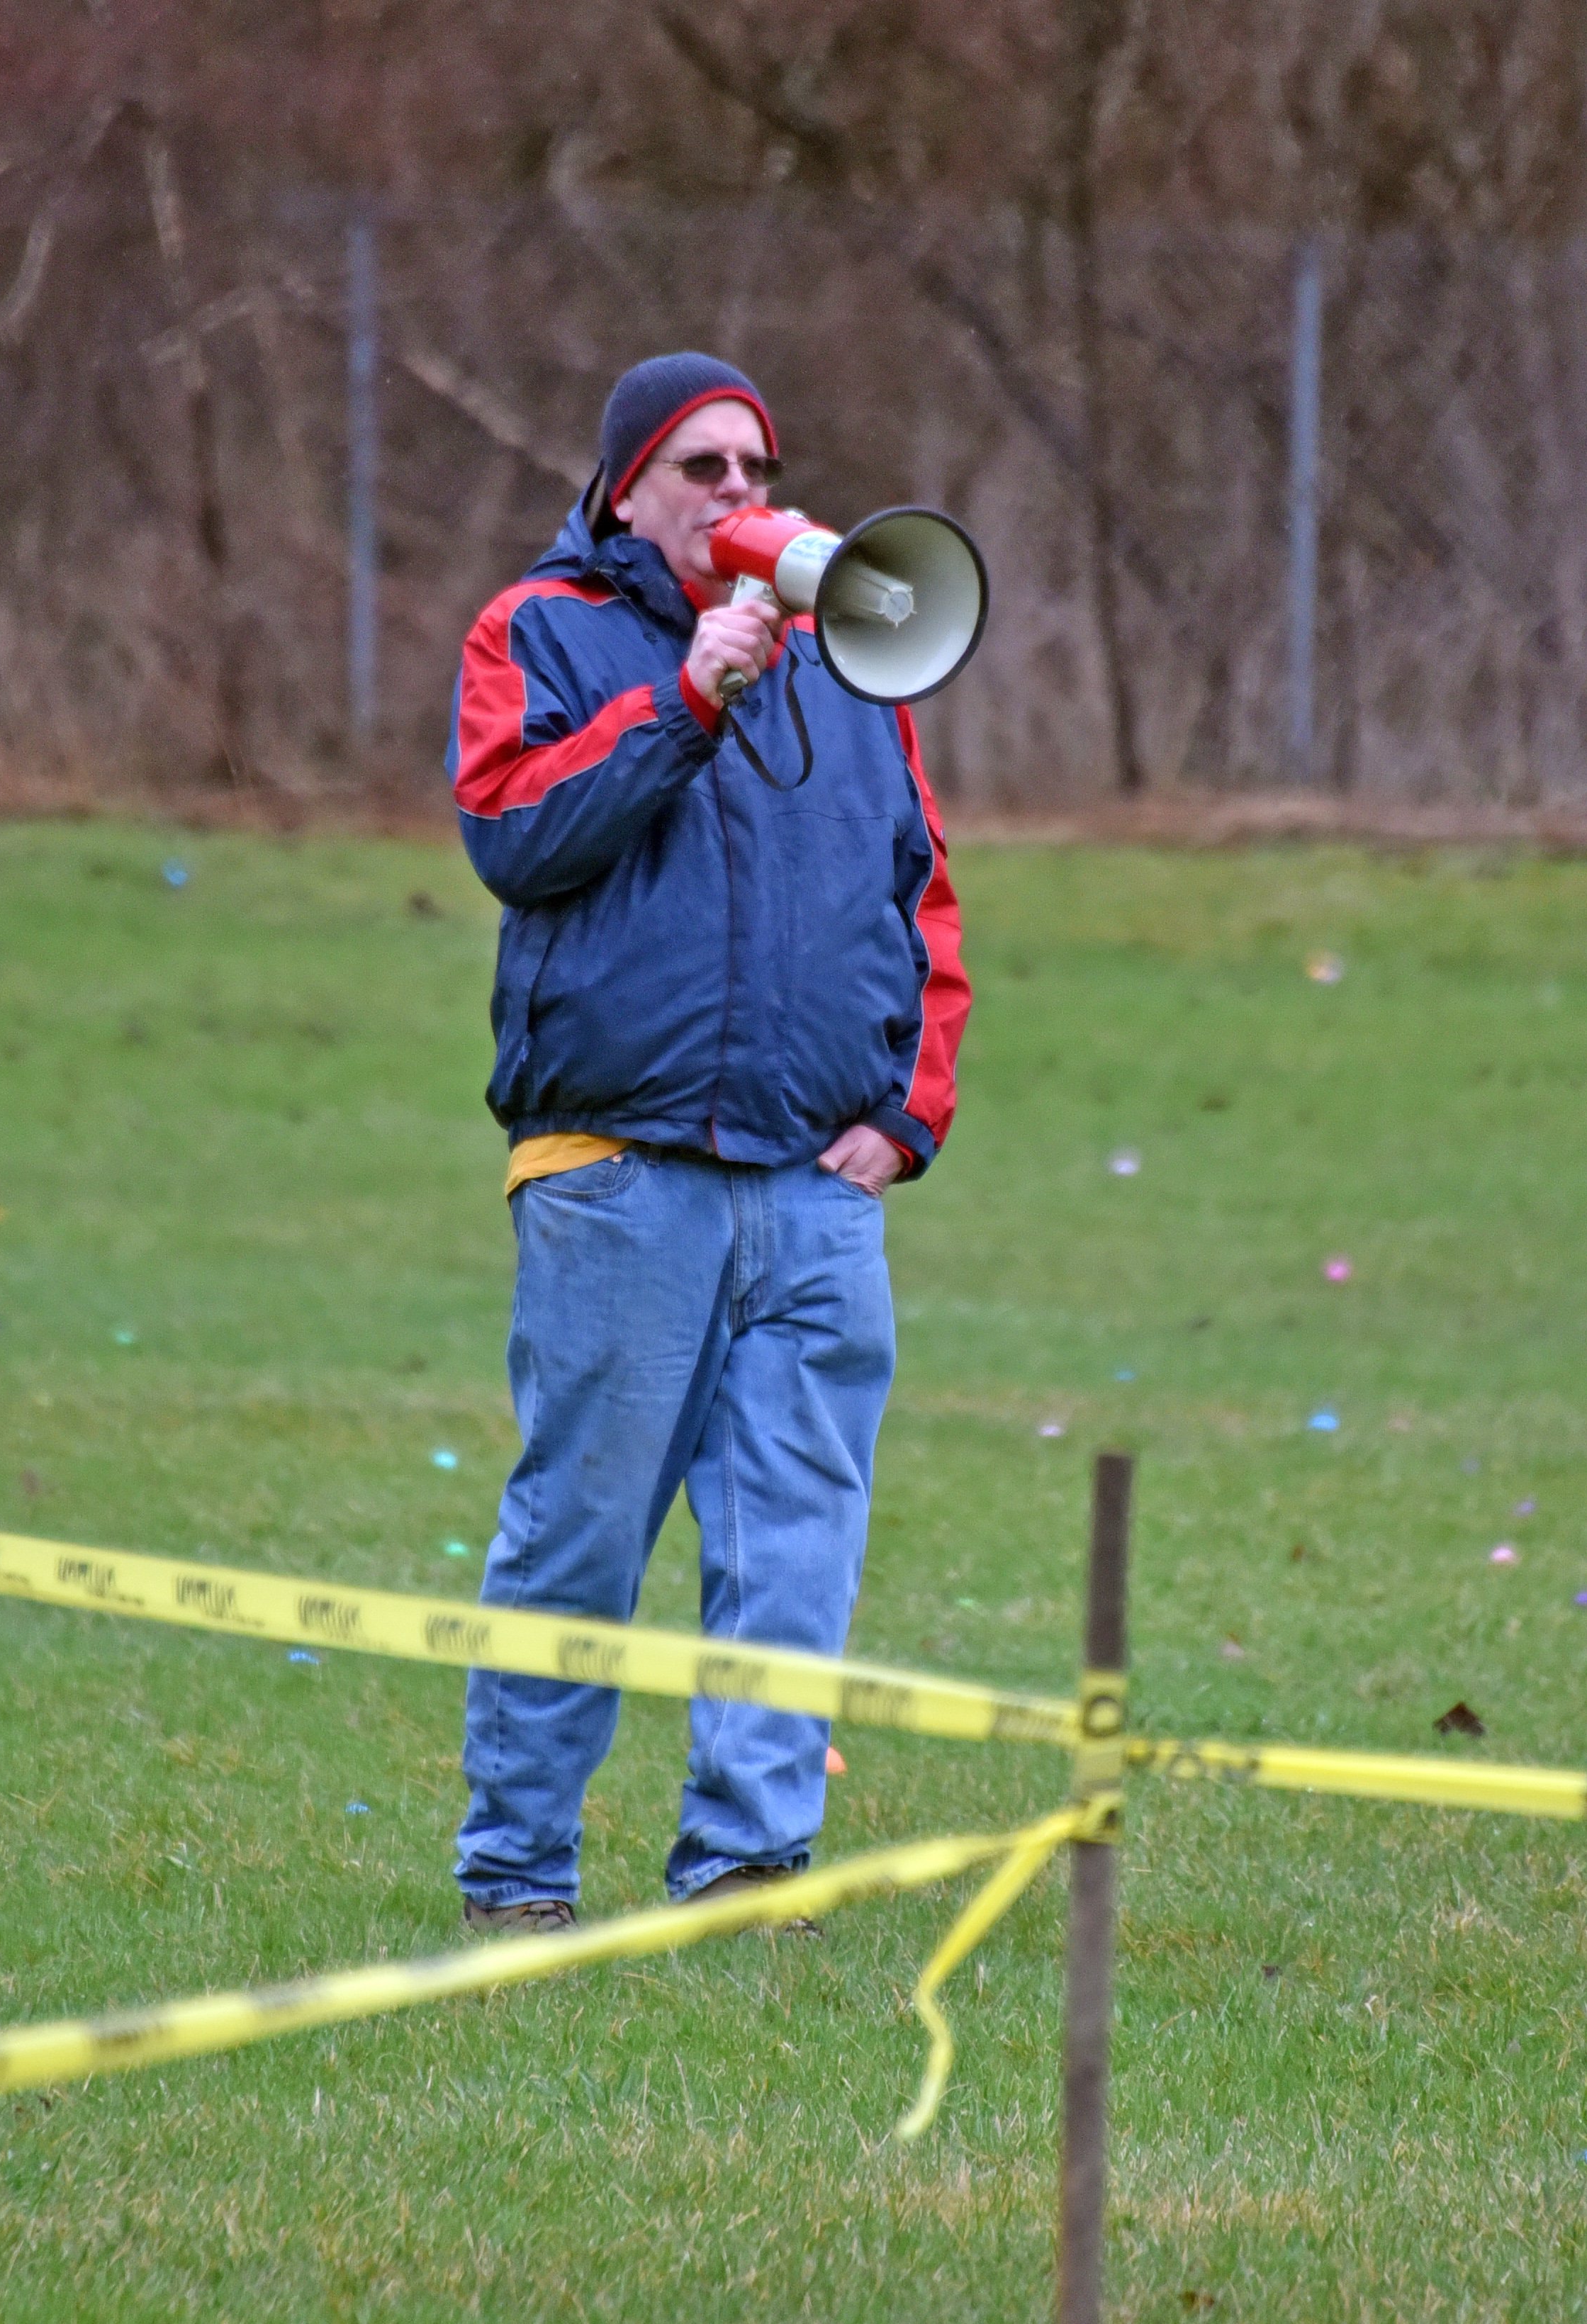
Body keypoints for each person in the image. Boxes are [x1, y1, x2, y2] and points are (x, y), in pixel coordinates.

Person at [445, 351, 971, 1935]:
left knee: (795, 1547)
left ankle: (745, 1871)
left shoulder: (848, 660)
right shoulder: (533, 632)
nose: (739, 498)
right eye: (702, 471)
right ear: (625, 488)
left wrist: (906, 1115)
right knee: (580, 1540)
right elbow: (515, 831)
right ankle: (520, 1871)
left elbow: (921, 895)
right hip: (618, 1177)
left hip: (813, 1189)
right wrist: (686, 699)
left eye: (757, 470)